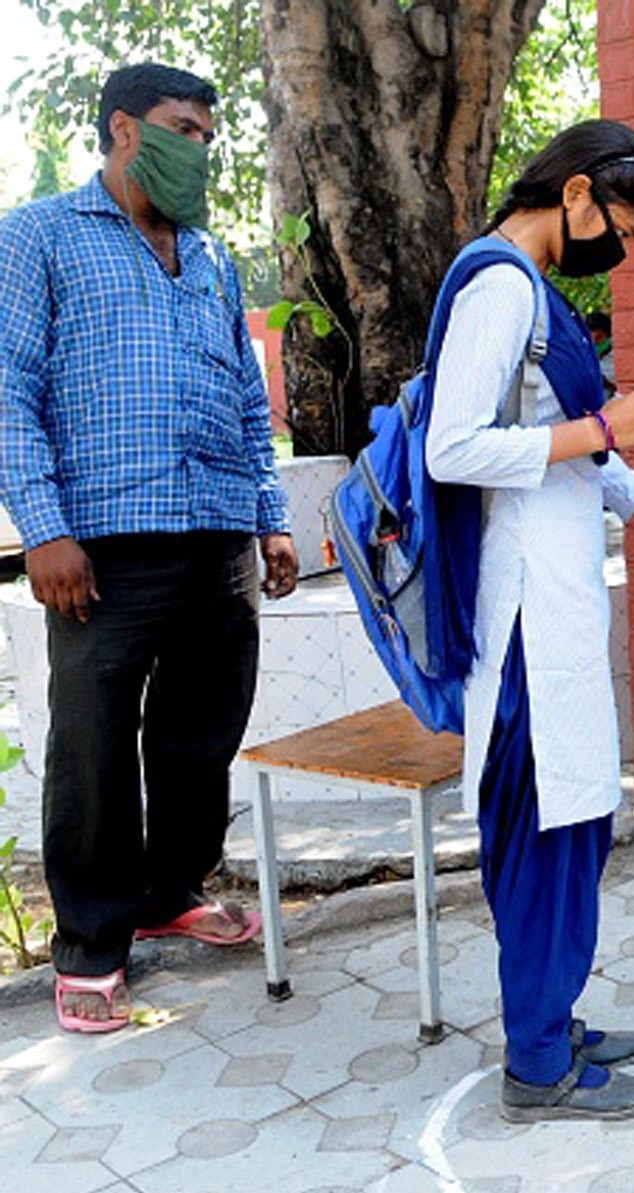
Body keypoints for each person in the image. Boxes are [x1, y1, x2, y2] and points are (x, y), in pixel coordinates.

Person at [425, 119, 634, 1121]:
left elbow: (574, 457)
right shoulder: (502, 285)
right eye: (625, 232)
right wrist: (605, 426)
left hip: (551, 607)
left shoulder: (533, 292)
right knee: (549, 832)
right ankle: (539, 1062)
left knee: (573, 824)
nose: (622, 253)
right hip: (519, 624)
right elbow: (453, 449)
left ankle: (549, 1017)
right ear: (579, 193)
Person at [0, 63, 298, 1033]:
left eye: (208, 135)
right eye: (183, 129)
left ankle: (169, 890)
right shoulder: (40, 236)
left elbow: (252, 403)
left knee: (199, 731)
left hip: (214, 535)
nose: (199, 149)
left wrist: (271, 514)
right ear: (125, 130)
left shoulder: (212, 257)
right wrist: (43, 529)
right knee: (90, 743)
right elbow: (9, 391)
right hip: (100, 547)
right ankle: (89, 946)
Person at [585, 309, 618, 396]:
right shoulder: (581, 357)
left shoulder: (617, 359)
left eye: (599, 337)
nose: (594, 342)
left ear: (609, 336)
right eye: (590, 338)